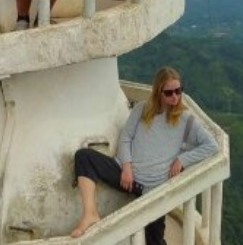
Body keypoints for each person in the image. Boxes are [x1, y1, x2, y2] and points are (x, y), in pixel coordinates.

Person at [70, 67, 219, 241]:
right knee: (84, 157)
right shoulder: (141, 109)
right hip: (126, 176)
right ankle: (90, 214)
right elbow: (126, 137)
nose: (175, 97)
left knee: (154, 240)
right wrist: (126, 167)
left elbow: (211, 145)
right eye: (169, 93)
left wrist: (182, 159)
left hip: (153, 190)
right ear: (158, 92)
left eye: (178, 91)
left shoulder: (186, 120)